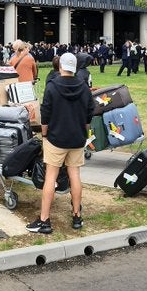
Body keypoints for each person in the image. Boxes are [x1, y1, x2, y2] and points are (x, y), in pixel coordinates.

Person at [27, 52, 94, 234]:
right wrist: (84, 131)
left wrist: (44, 135)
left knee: (51, 177)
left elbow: (45, 114)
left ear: (61, 66)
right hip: (77, 138)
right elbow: (89, 113)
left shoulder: (52, 86)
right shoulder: (84, 87)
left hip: (56, 138)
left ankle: (44, 220)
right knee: (75, 175)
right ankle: (77, 216)